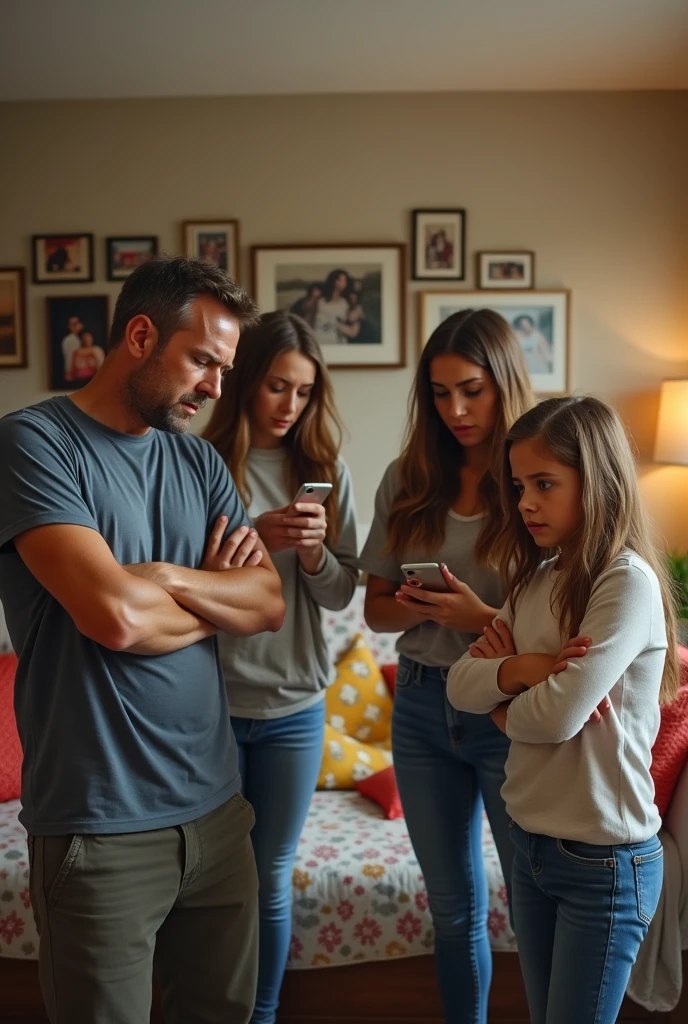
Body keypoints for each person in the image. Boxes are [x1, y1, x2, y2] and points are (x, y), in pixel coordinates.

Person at [0, 255, 286, 1024]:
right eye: (202, 361)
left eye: (224, 369)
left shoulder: (198, 462)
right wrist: (201, 597)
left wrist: (165, 576)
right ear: (138, 335)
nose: (216, 388)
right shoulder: (34, 444)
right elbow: (114, 619)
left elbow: (265, 603)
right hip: (99, 828)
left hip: (220, 816)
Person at [447, 396, 679, 1024]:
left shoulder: (623, 583)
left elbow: (552, 721)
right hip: (532, 847)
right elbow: (460, 685)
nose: (524, 502)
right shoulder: (534, 580)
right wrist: (521, 672)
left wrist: (503, 713)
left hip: (604, 859)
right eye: (520, 485)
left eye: (544, 484)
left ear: (596, 481)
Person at [359, 309, 534, 1023]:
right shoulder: (409, 478)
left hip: (508, 711)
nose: (455, 410)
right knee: (454, 911)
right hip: (424, 708)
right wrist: (421, 605)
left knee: (530, 900)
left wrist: (475, 617)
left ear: (505, 385)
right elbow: (373, 610)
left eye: (471, 390)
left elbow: (563, 618)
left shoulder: (536, 478)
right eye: (438, 393)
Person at [203, 310, 358, 1024]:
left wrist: (318, 554)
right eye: (275, 387)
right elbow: (181, 582)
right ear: (242, 382)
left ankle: (259, 1016)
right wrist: (255, 538)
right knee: (210, 877)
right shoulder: (198, 461)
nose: (290, 407)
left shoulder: (325, 472)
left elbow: (337, 594)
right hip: (212, 705)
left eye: (302, 392)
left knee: (268, 876)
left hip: (295, 707)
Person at [313, 268, 350, 345]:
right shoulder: (321, 301)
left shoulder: (344, 302)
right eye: (341, 280)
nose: (344, 283)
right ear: (334, 281)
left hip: (338, 338)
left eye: (345, 281)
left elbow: (343, 321)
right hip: (321, 337)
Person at [61, 314, 83, 379]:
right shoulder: (71, 340)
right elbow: (70, 357)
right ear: (69, 327)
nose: (75, 326)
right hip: (73, 373)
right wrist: (69, 373)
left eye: (76, 323)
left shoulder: (78, 338)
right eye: (73, 324)